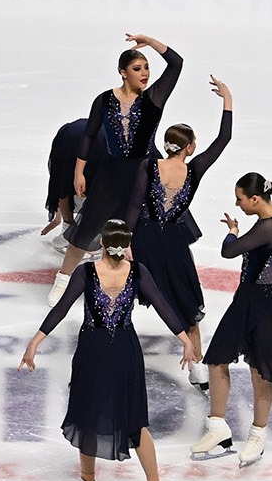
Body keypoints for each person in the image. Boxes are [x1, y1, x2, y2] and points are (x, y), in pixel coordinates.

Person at [20, 219, 195, 481]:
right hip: (126, 353)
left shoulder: (86, 273)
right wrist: (185, 339)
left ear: (101, 244)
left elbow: (60, 308)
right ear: (126, 245)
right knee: (136, 421)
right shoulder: (138, 271)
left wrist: (35, 342)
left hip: (93, 352)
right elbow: (164, 306)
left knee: (88, 416)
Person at [49, 35, 182, 305]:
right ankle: (63, 278)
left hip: (145, 173)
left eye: (146, 68)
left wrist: (149, 41)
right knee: (87, 229)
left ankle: (166, 283)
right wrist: (79, 172)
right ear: (123, 73)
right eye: (137, 69)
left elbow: (176, 64)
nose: (144, 74)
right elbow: (87, 136)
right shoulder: (104, 100)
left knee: (156, 229)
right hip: (111, 174)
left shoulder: (153, 99)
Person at [189, 174, 272, 467]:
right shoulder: (264, 224)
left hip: (270, 304)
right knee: (217, 358)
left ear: (255, 199)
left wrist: (232, 232)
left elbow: (229, 251)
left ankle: (258, 434)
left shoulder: (270, 226)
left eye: (240, 199)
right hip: (247, 300)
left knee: (260, 370)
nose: (237, 203)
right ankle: (217, 425)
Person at [126, 76, 234, 378]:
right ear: (189, 147)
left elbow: (134, 206)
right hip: (173, 244)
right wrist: (227, 100)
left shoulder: (149, 166)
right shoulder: (195, 168)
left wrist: (127, 244)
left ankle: (112, 352)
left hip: (144, 239)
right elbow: (223, 140)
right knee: (186, 306)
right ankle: (197, 369)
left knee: (127, 295)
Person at [40, 118, 88, 253]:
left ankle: (70, 230)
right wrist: (58, 218)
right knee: (66, 180)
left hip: (91, 142)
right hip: (71, 138)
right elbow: (60, 184)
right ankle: (68, 229)